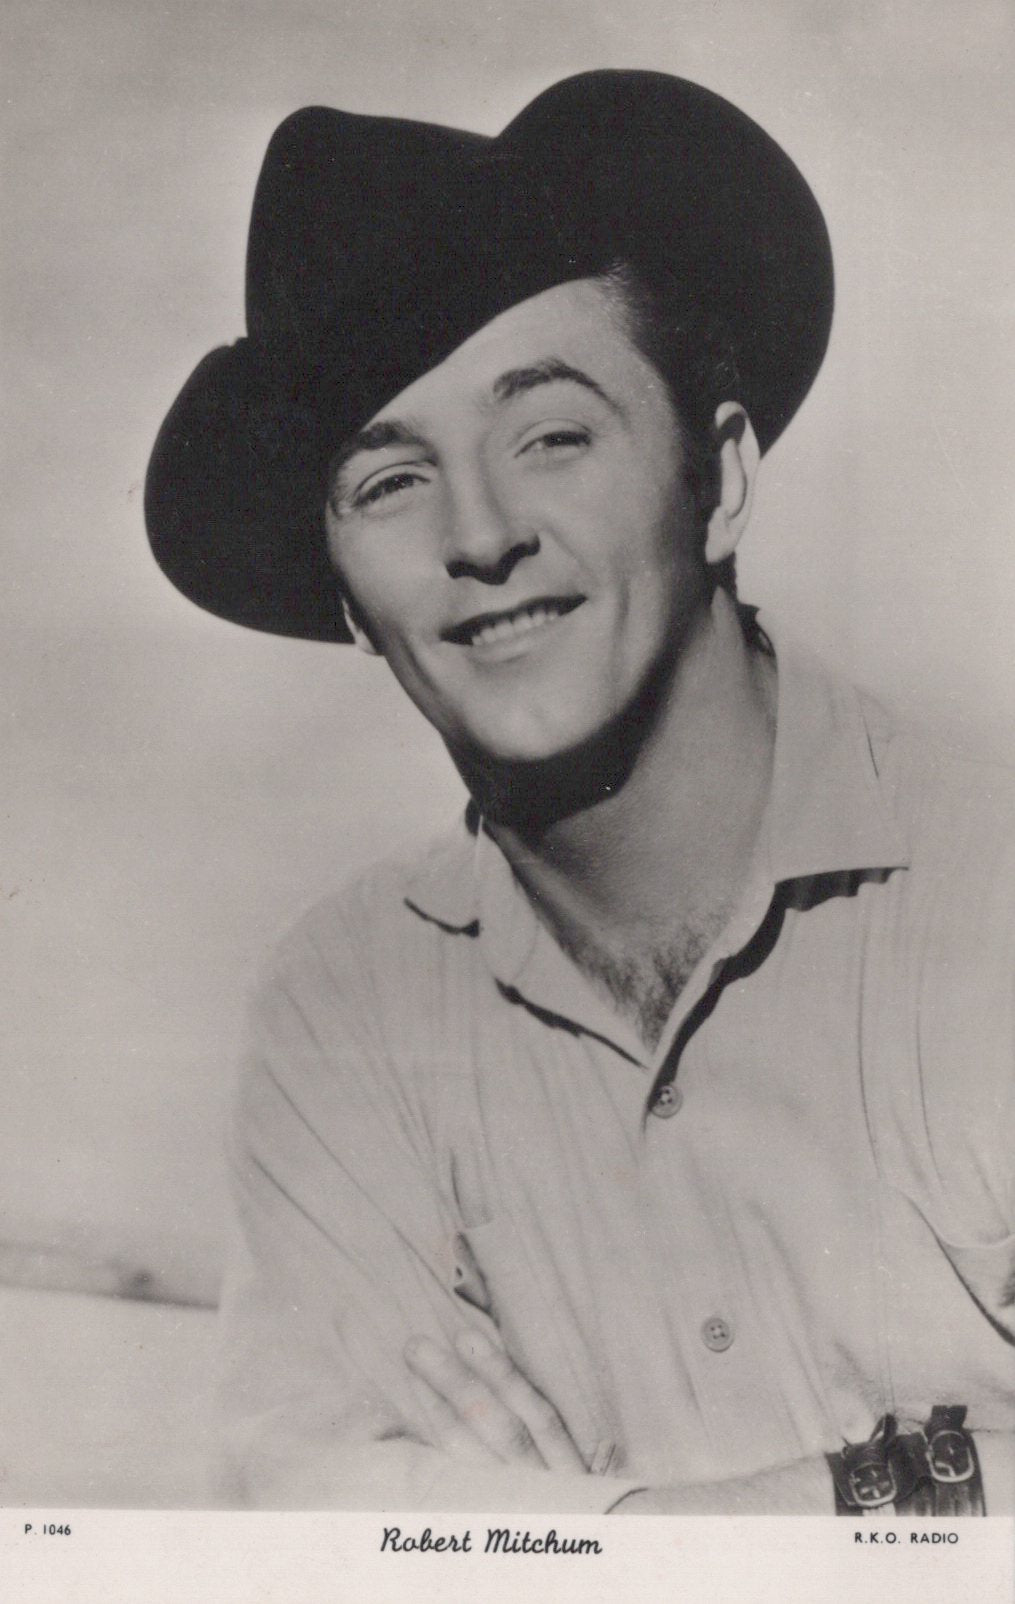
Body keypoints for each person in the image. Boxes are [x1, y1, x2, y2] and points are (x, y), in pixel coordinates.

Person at [145, 70, 1014, 1515]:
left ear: (719, 479)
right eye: (389, 482)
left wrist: (619, 1537)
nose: (480, 534)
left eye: (551, 434)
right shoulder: (340, 1012)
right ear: (353, 606)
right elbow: (309, 1515)